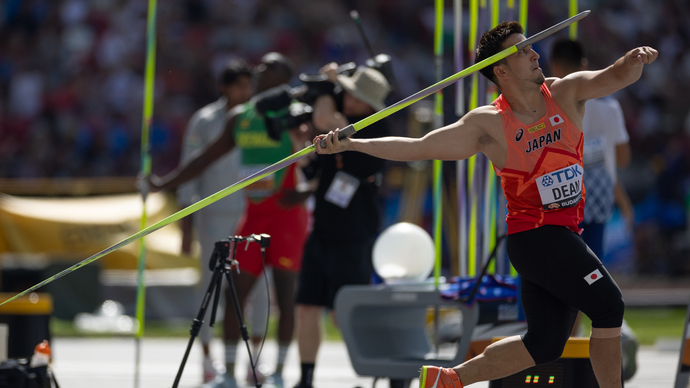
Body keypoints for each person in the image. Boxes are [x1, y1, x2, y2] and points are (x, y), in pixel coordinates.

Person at [315, 21, 657, 388]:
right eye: (524, 51)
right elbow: (418, 147)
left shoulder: (565, 92)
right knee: (609, 306)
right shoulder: (488, 124)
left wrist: (633, 59)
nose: (535, 54)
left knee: (544, 344)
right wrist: (352, 144)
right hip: (536, 237)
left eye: (532, 47)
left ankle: (448, 379)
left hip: (562, 234)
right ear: (501, 70)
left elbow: (615, 75)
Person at [150, 52, 311, 388]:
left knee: (282, 295)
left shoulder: (297, 114)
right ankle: (227, 373)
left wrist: (310, 188)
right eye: (261, 68)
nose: (260, 72)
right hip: (251, 214)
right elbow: (204, 159)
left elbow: (324, 155)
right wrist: (165, 183)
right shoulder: (241, 116)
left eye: (271, 69)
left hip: (286, 215)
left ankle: (279, 373)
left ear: (284, 79)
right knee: (233, 293)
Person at [294, 64, 391, 388]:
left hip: (353, 236)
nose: (347, 99)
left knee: (346, 313)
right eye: (347, 92)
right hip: (322, 229)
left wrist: (325, 87)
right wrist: (300, 147)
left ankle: (385, 370)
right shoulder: (340, 121)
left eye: (356, 97)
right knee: (306, 307)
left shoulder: (375, 132)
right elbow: (316, 172)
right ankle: (306, 377)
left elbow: (324, 119)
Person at [176, 58, 271, 384]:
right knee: (210, 286)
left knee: (257, 288)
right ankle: (206, 359)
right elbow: (190, 168)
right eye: (239, 85)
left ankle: (252, 361)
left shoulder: (258, 117)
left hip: (252, 216)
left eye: (249, 86)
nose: (246, 92)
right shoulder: (204, 120)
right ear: (224, 87)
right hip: (213, 216)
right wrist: (186, 222)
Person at [550, 38, 635, 261]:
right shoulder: (609, 106)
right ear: (584, 65)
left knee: (554, 270)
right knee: (592, 273)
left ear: (555, 66)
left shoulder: (546, 104)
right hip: (597, 198)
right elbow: (622, 160)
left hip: (558, 198)